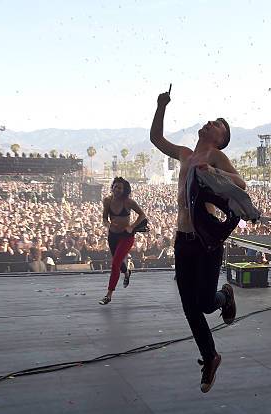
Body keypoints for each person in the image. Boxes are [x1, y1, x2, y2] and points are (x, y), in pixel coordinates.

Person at [150, 88, 245, 393]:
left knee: (205, 303)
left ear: (220, 139)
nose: (210, 123)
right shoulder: (184, 154)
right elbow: (156, 139)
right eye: (212, 121)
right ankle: (210, 356)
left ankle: (224, 297)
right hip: (183, 237)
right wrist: (160, 106)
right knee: (189, 305)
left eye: (218, 124)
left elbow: (241, 183)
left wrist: (214, 171)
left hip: (206, 239)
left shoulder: (215, 156)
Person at [99, 177, 147, 305]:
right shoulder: (107, 201)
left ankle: (108, 295)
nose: (117, 189)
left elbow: (142, 215)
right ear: (112, 187)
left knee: (115, 264)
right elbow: (104, 218)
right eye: (115, 186)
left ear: (124, 190)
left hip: (126, 236)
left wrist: (132, 226)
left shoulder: (129, 202)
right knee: (118, 262)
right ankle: (126, 273)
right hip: (113, 236)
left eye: (120, 187)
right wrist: (108, 225)